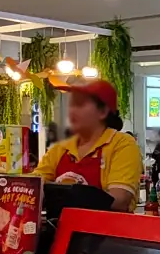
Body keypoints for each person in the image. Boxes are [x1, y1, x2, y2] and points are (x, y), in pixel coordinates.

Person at [31, 77, 143, 211]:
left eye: (80, 104)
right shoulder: (61, 148)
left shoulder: (122, 144)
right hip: (61, 230)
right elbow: (32, 186)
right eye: (71, 104)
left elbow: (118, 201)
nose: (72, 111)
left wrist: (63, 193)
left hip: (105, 230)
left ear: (102, 112)